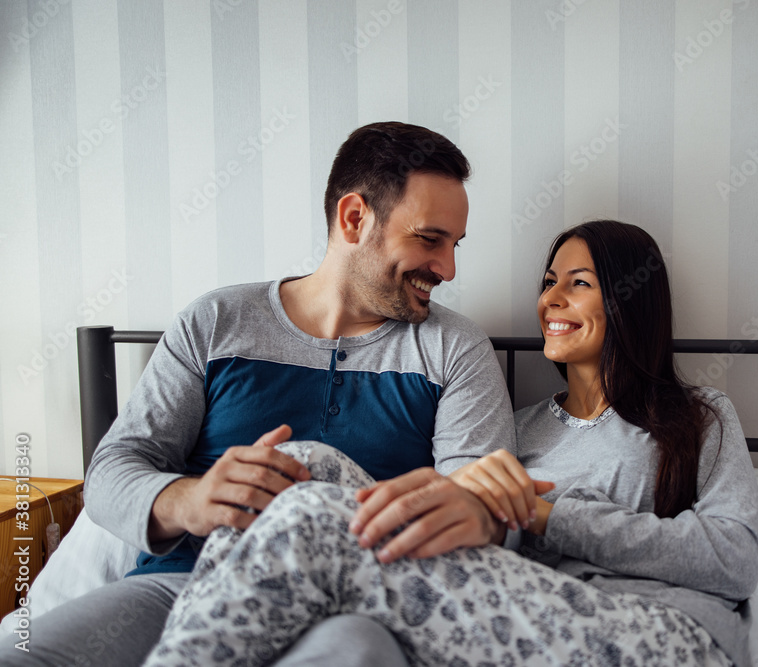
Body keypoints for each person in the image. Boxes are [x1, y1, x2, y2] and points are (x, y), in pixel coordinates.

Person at [1, 122, 516, 667]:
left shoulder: (455, 350)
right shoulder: (216, 323)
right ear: (355, 218)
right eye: (429, 239)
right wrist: (191, 500)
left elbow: (481, 510)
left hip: (353, 610)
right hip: (185, 586)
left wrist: (474, 510)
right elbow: (113, 471)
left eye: (454, 245)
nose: (448, 268)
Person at [141, 220, 758, 667]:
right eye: (549, 281)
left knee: (307, 520)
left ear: (633, 299)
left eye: (578, 283)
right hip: (521, 621)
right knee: (298, 469)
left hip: (664, 637)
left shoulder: (697, 417)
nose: (551, 298)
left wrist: (549, 513)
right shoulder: (516, 430)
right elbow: (489, 552)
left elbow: (734, 558)